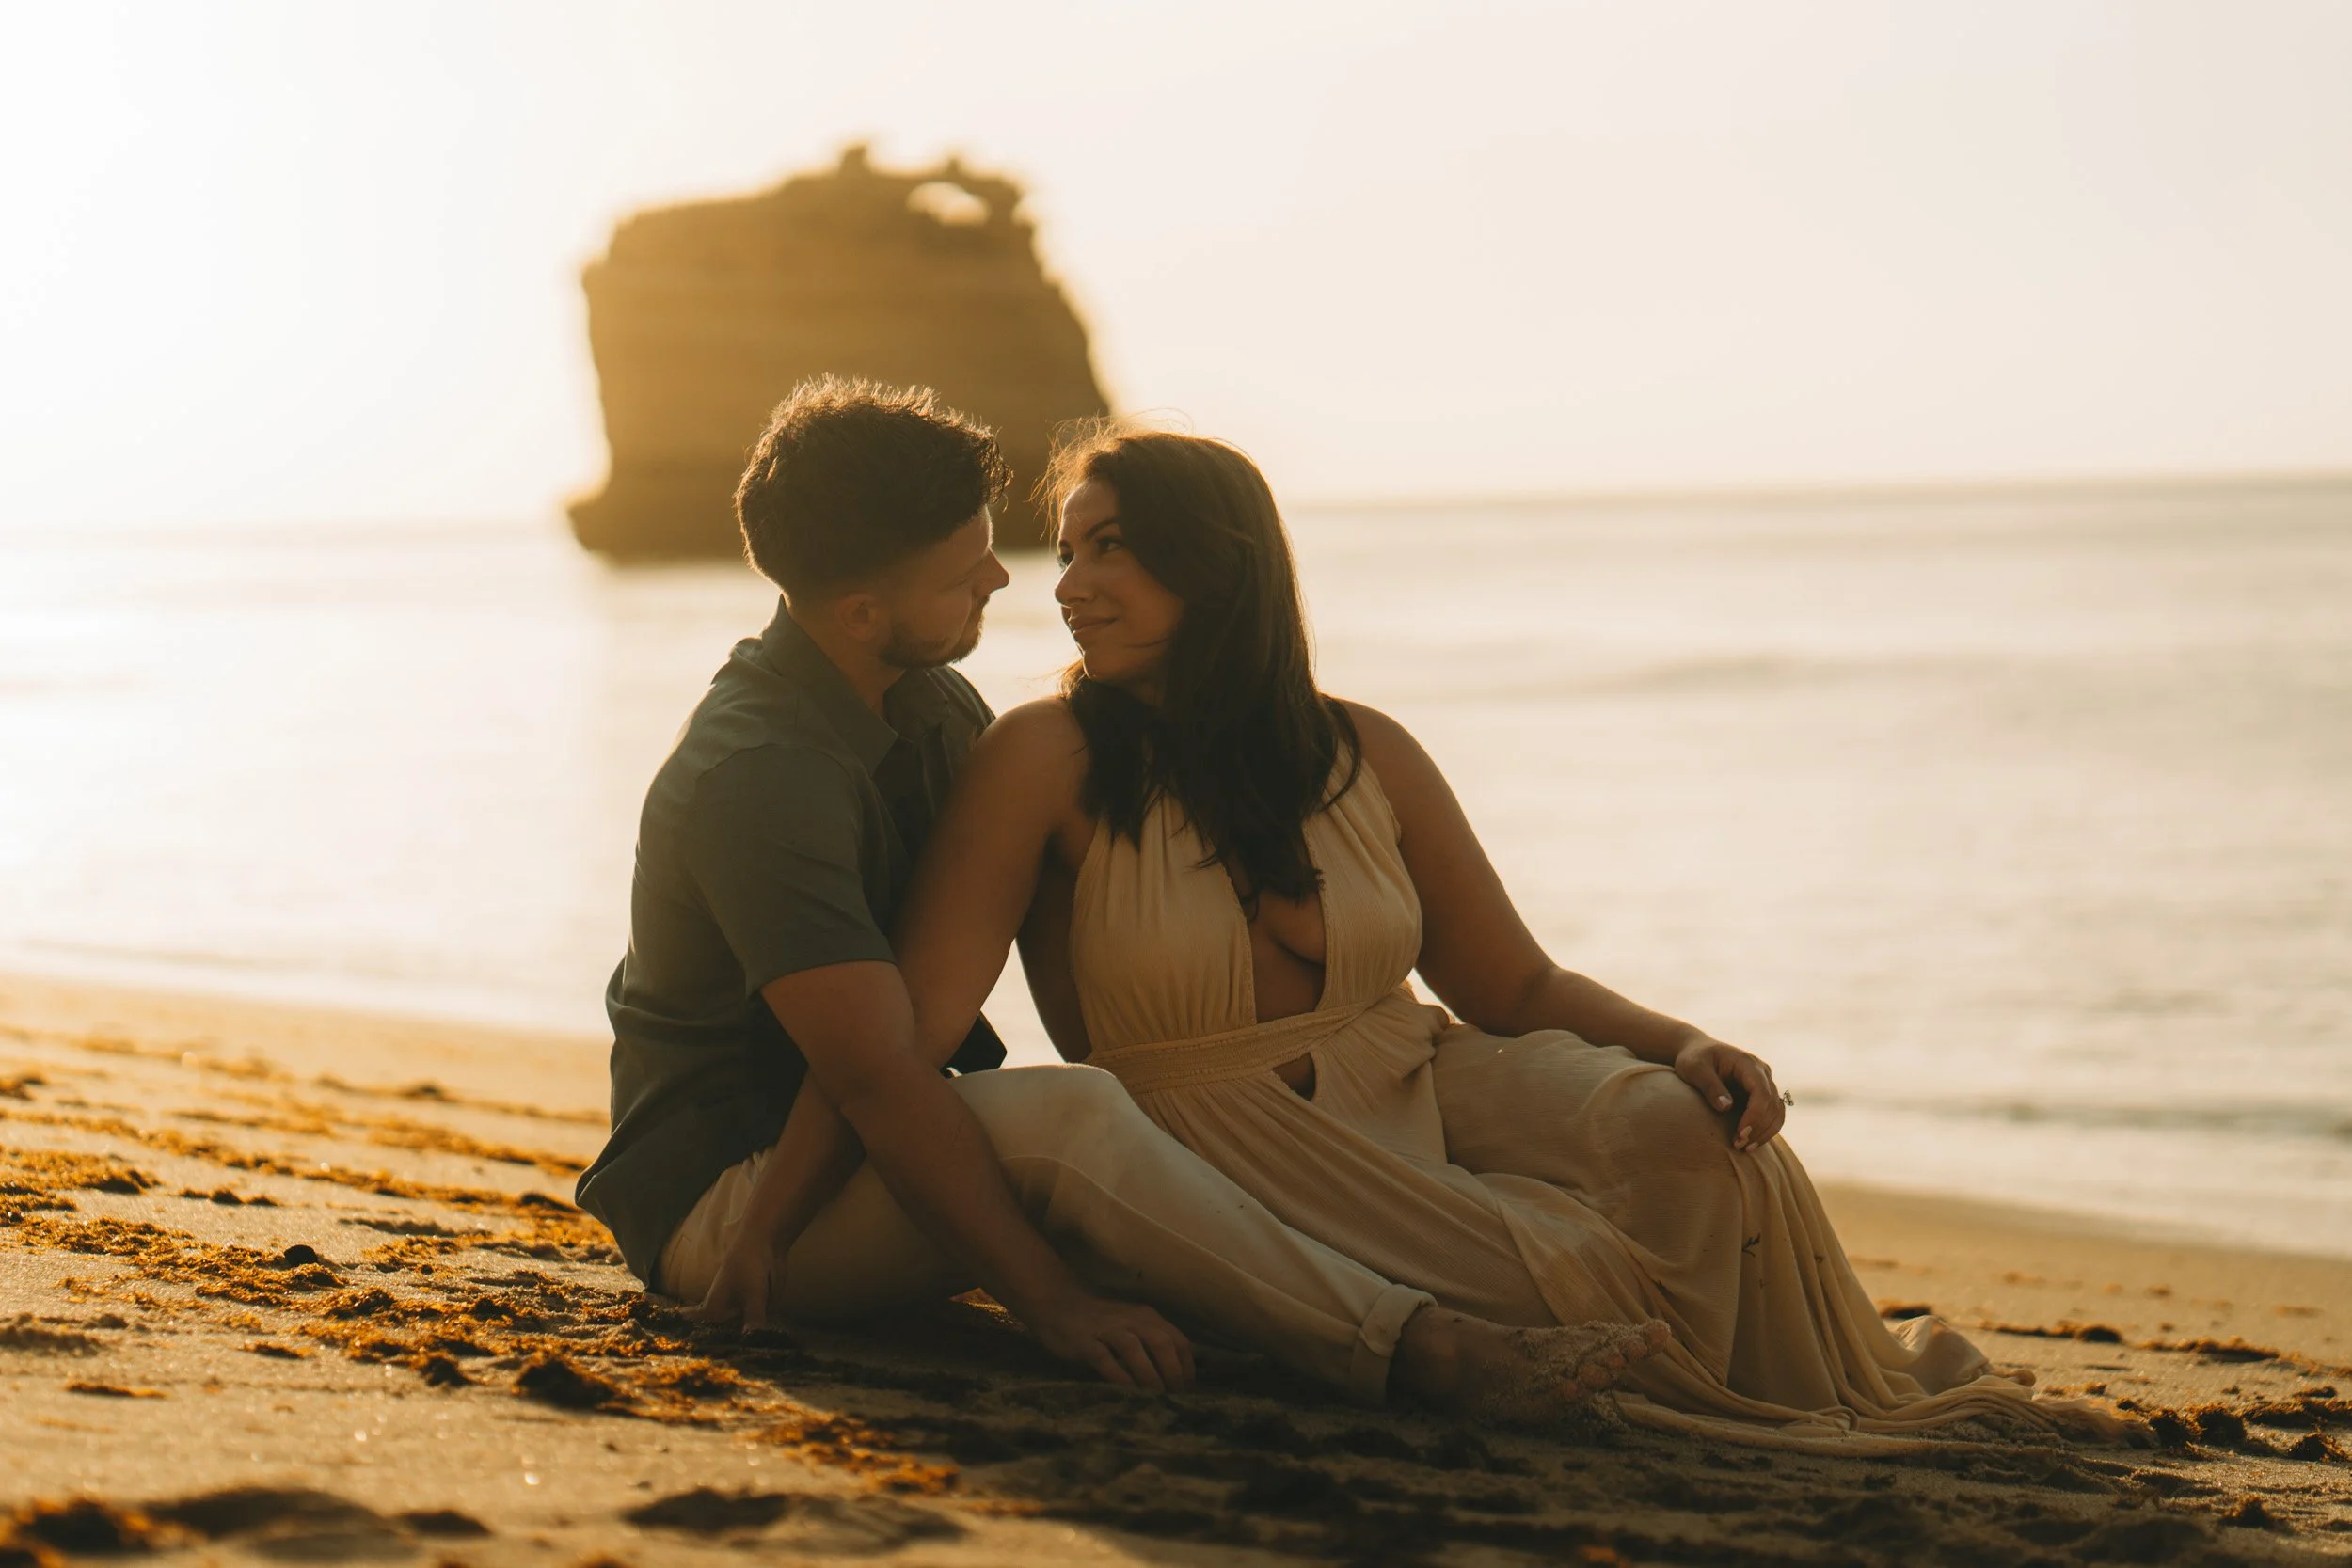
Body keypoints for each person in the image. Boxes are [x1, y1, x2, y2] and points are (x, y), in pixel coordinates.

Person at [844, 422, 2136, 1449]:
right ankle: (1675, 1376)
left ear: (1216, 560)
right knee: (1555, 1280)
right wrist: (800, 1215)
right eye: (1068, 552)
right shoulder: (1044, 754)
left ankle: (1824, 1376)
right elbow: (913, 1028)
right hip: (1218, 1145)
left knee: (1686, 1132)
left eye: (1109, 548)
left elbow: (1508, 979)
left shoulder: (1364, 747)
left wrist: (1684, 1039)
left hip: (1418, 1070)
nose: (1070, 586)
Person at [573, 378, 1665, 1421]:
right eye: (965, 571)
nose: (1008, 581)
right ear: (862, 612)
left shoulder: (931, 706)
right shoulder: (763, 775)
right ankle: (1422, 1348)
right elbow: (877, 1070)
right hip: (741, 1204)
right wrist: (1050, 1303)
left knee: (1085, 1118)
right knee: (1072, 1115)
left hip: (875, 1149)